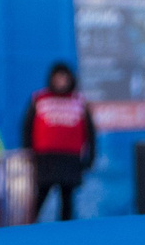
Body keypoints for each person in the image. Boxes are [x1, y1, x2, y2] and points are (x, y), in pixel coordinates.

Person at [20, 62, 95, 221]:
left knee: (67, 198)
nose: (61, 81)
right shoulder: (40, 99)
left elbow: (90, 132)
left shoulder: (79, 101)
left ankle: (66, 234)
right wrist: (28, 151)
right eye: (58, 78)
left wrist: (90, 157)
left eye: (64, 78)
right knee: (40, 196)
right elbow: (27, 126)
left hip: (69, 160)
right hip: (45, 159)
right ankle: (27, 229)